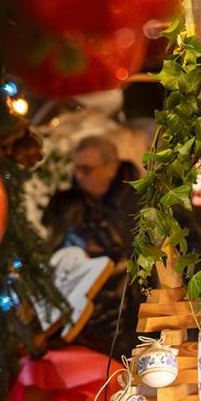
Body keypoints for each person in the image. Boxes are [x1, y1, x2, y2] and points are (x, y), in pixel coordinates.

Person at [42, 133, 142, 358]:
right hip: (79, 326)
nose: (78, 175)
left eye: (86, 169)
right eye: (75, 168)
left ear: (111, 167)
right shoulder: (69, 204)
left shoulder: (140, 204)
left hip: (130, 322)